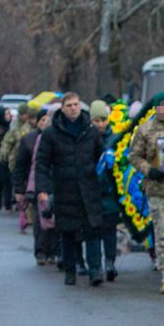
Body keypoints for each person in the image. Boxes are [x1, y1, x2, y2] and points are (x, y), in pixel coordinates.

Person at [35, 92, 105, 286]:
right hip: (64, 188)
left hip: (88, 188)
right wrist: (42, 189)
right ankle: (70, 270)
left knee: (92, 230)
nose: (74, 108)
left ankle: (94, 271)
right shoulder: (51, 133)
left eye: (76, 105)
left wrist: (106, 164)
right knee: (67, 232)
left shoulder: (90, 131)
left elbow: (100, 155)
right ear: (62, 108)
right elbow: (42, 163)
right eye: (69, 105)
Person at [129, 94, 164, 294]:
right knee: (163, 234)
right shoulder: (146, 129)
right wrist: (149, 170)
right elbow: (134, 155)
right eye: (163, 107)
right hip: (157, 190)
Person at [12, 108, 59, 265]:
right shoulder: (29, 139)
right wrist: (19, 189)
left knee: (56, 220)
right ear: (38, 122)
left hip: (56, 184)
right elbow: (20, 166)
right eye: (43, 120)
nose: (46, 122)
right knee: (41, 220)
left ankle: (54, 252)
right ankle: (40, 251)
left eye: (48, 119)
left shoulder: (58, 138)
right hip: (36, 185)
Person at [90, 101, 121, 281]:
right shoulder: (86, 138)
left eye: (103, 120)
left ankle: (110, 262)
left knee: (110, 230)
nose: (101, 124)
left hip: (110, 192)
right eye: (96, 121)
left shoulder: (115, 139)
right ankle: (95, 267)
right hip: (92, 192)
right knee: (93, 230)